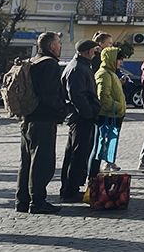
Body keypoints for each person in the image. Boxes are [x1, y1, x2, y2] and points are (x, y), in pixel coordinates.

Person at [15, 32, 67, 214]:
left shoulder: (33, 61)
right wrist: (62, 110)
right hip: (43, 118)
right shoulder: (50, 64)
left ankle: (22, 200)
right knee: (42, 161)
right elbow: (50, 94)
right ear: (52, 46)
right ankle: (38, 200)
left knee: (27, 160)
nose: (60, 46)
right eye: (59, 43)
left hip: (27, 117)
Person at [60, 40, 101, 202]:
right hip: (81, 117)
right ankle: (71, 189)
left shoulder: (80, 65)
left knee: (75, 153)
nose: (95, 53)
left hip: (80, 116)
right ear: (87, 52)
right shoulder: (77, 68)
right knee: (78, 154)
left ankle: (70, 187)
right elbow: (77, 96)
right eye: (94, 50)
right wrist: (89, 113)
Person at [92, 46, 128, 174]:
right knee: (100, 146)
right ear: (112, 59)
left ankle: (108, 164)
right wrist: (118, 106)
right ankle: (93, 176)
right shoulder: (104, 74)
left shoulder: (112, 73)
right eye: (119, 60)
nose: (121, 62)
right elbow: (103, 98)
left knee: (110, 143)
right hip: (107, 115)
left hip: (114, 115)